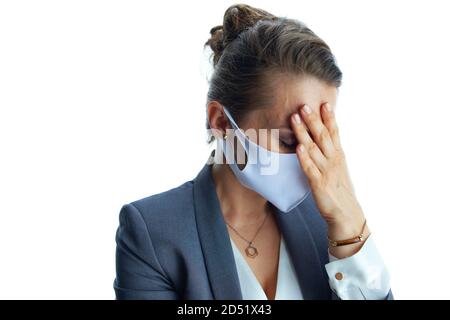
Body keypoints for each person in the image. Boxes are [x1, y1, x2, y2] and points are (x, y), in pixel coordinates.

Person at [113, 3, 393, 300]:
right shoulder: (153, 231)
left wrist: (349, 226)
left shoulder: (327, 221)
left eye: (316, 139)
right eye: (288, 140)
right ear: (221, 122)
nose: (306, 157)